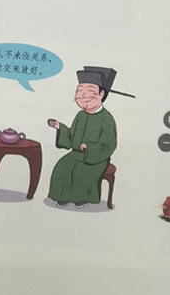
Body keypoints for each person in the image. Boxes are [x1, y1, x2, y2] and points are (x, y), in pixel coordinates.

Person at [47, 66, 118, 208]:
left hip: (96, 158)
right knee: (63, 165)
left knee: (81, 170)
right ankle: (63, 196)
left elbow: (109, 144)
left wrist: (89, 147)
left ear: (101, 94)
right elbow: (72, 136)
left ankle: (84, 197)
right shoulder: (80, 115)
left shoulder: (107, 118)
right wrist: (60, 127)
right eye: (79, 91)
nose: (83, 96)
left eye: (89, 91)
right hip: (76, 154)